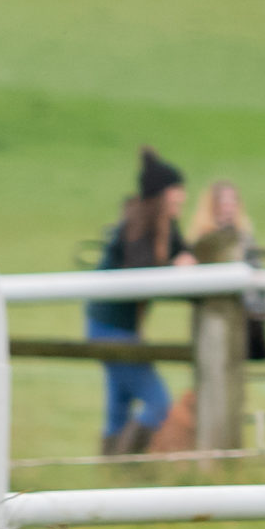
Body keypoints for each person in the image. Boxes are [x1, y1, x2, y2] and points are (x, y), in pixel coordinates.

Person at [84, 148, 197, 456]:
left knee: (119, 407)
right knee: (157, 404)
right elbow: (141, 271)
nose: (183, 197)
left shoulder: (165, 226)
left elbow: (183, 254)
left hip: (118, 327)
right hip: (111, 328)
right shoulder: (137, 226)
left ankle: (112, 470)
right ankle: (127, 463)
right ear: (163, 194)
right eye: (177, 190)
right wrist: (176, 268)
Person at [188, 178, 265, 360]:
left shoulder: (245, 239)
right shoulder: (203, 240)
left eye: (233, 201)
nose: (229, 207)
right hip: (213, 312)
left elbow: (258, 274)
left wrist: (259, 310)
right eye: (224, 202)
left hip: (244, 313)